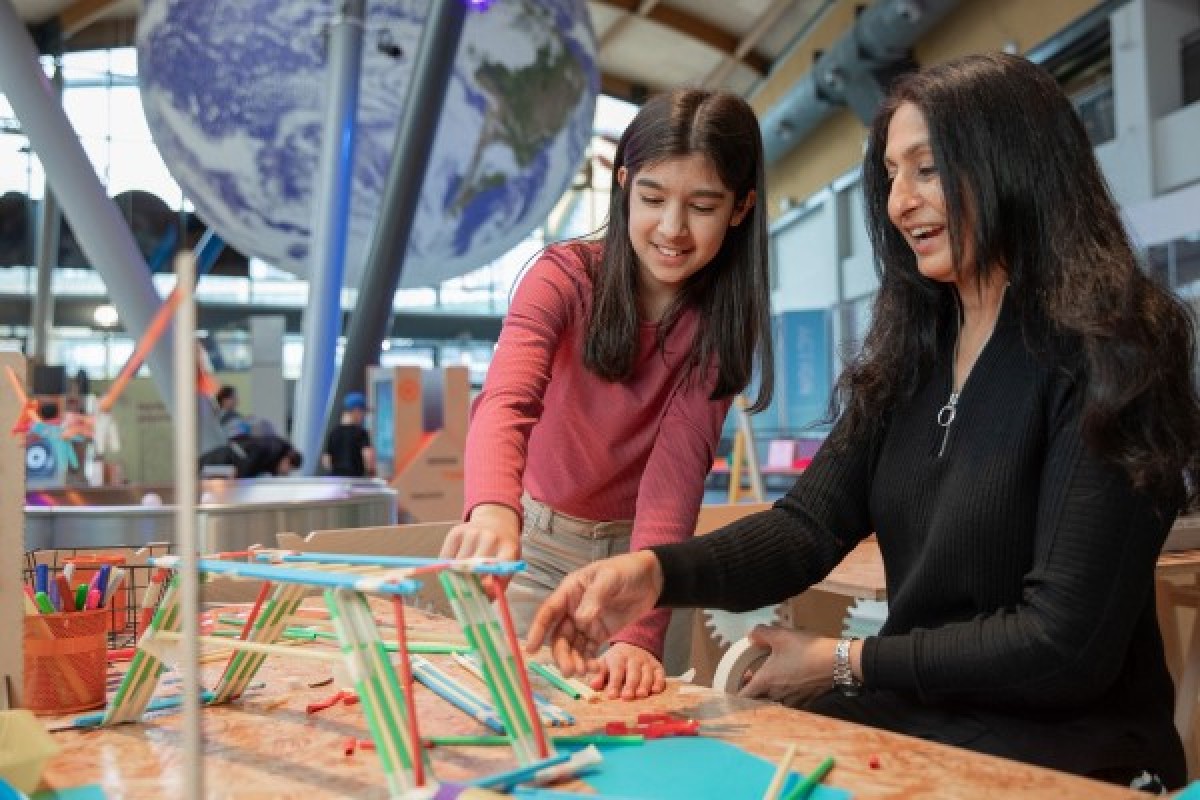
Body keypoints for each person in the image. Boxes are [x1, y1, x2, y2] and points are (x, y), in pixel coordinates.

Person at [528, 53, 1200, 790]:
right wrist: (651, 574)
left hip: (1067, 756)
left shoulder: (1113, 348)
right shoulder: (915, 353)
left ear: (1017, 158)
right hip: (919, 722)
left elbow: (1062, 645)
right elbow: (806, 528)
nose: (898, 202)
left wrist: (842, 662)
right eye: (890, 176)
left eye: (927, 169)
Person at [440, 88, 775, 700]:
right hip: (534, 548)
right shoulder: (562, 278)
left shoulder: (722, 326)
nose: (672, 229)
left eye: (702, 206)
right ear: (624, 185)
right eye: (652, 198)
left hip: (643, 566)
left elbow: (675, 474)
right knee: (511, 721)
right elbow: (507, 400)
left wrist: (640, 631)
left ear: (740, 207)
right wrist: (492, 506)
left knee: (640, 731)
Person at [198, 433, 302, 478]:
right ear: (286, 460)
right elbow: (243, 469)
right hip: (223, 462)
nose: (286, 473)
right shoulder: (266, 451)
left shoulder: (269, 453)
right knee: (199, 472)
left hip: (224, 462)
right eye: (289, 469)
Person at [322, 391, 376, 477]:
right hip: (355, 481)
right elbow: (367, 455)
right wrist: (371, 472)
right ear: (356, 411)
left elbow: (326, 460)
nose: (364, 416)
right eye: (363, 412)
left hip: (336, 481)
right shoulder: (361, 433)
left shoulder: (334, 432)